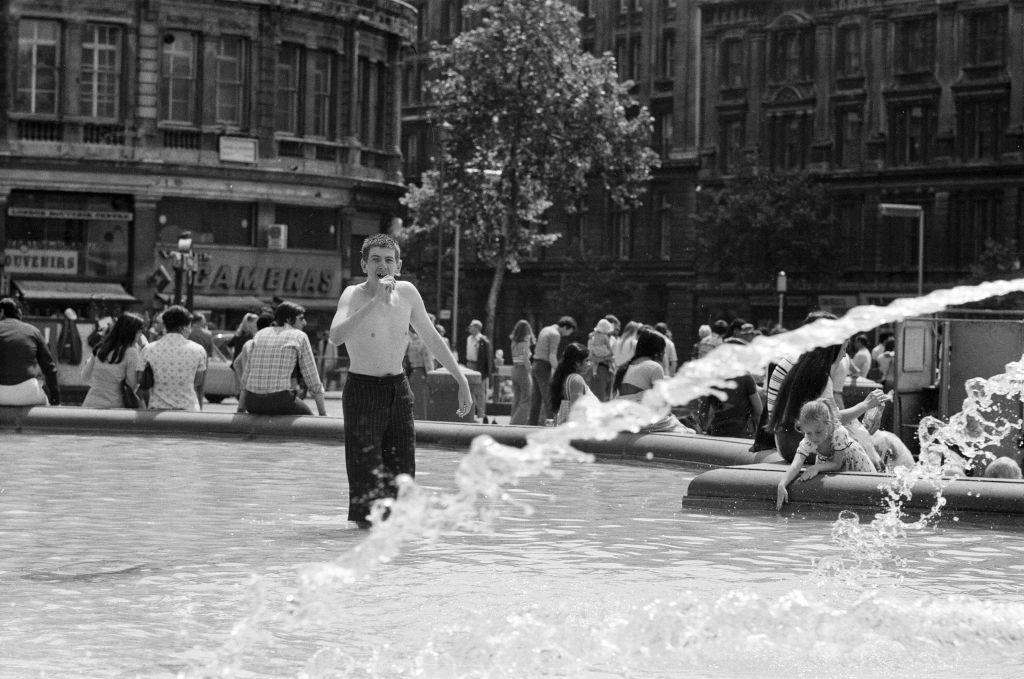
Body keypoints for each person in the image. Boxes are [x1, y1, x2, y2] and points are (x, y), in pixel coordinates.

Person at [330, 233, 472, 528]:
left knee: (402, 474)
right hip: (362, 390)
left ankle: (395, 557)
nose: (382, 265)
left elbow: (431, 337)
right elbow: (335, 337)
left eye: (388, 260)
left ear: (398, 266)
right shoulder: (352, 295)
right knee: (365, 475)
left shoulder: (407, 292)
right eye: (375, 259)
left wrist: (461, 380)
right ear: (364, 264)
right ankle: (365, 540)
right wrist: (374, 302)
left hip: (398, 389)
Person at [768, 342, 887, 466]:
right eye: (844, 349)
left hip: (784, 445)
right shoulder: (821, 378)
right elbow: (835, 419)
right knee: (862, 453)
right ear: (833, 350)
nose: (845, 355)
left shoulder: (799, 369)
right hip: (803, 449)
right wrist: (866, 404)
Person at [776, 398, 876, 510]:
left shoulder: (839, 433)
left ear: (828, 424)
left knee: (864, 497)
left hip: (853, 464)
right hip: (829, 465)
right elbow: (796, 465)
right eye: (809, 433)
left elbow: (837, 464)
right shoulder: (808, 439)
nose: (814, 437)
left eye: (818, 432)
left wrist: (817, 467)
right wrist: (782, 484)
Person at [237, 302, 327, 417]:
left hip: (252, 401)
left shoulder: (260, 334)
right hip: (280, 400)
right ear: (289, 320)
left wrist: (240, 408)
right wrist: (323, 413)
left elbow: (246, 375)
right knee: (308, 421)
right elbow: (312, 378)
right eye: (301, 319)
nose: (305, 323)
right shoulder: (299, 336)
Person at [612, 325, 691, 434]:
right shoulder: (654, 367)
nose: (664, 354)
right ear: (656, 351)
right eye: (663, 351)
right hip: (641, 421)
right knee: (688, 431)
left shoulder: (625, 367)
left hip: (623, 418)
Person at [138, 305, 207, 411]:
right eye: (189, 326)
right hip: (188, 410)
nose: (190, 330)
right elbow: (197, 381)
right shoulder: (198, 350)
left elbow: (139, 378)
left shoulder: (148, 349)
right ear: (182, 328)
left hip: (157, 410)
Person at [0, 297, 60, 406]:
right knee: (47, 406)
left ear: (1, 313)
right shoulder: (33, 331)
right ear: (19, 312)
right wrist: (56, 401)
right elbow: (50, 368)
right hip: (27, 392)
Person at [81, 312, 146, 408]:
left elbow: (85, 377)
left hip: (90, 403)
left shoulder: (100, 348)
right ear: (131, 332)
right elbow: (132, 384)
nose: (140, 335)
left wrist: (100, 385)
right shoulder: (131, 352)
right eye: (139, 331)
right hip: (114, 406)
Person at [705, 338, 762, 438]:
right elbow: (759, 411)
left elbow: (708, 413)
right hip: (740, 435)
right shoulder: (746, 378)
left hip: (716, 433)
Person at [528, 315, 577, 425]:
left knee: (536, 398)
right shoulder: (555, 334)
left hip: (535, 364)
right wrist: (559, 371)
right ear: (565, 327)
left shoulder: (545, 329)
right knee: (549, 397)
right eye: (570, 331)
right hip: (544, 366)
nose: (568, 334)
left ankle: (532, 424)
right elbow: (552, 356)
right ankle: (552, 423)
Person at [550, 342, 595, 426]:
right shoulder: (576, 379)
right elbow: (577, 409)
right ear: (577, 363)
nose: (589, 364)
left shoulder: (565, 378)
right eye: (587, 360)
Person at [231, 312, 274, 386]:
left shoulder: (240, 335)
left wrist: (244, 382)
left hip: (248, 384)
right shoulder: (252, 338)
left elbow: (236, 363)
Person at [465, 319, 492, 423]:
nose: (469, 328)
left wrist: (487, 372)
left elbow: (487, 358)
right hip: (469, 364)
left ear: (476, 328)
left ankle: (481, 414)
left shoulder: (483, 340)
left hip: (479, 367)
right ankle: (471, 412)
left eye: (471, 326)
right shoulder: (468, 339)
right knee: (470, 390)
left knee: (480, 392)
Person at [508, 319, 534, 425]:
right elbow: (525, 359)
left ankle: (512, 421)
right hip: (522, 370)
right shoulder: (524, 343)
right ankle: (517, 423)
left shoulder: (513, 342)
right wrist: (531, 371)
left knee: (517, 399)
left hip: (514, 369)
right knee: (526, 398)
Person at [406, 326, 434, 420]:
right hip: (422, 374)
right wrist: (432, 379)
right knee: (423, 402)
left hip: (413, 375)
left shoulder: (411, 343)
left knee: (415, 402)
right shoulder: (424, 343)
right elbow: (428, 363)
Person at [586, 318, 616, 401]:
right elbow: (611, 353)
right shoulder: (605, 337)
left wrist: (599, 358)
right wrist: (606, 357)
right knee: (604, 396)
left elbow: (590, 356)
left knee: (598, 396)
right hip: (604, 368)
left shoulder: (591, 337)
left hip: (597, 368)